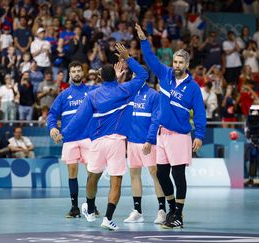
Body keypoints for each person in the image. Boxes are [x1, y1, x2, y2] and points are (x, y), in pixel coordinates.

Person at [61, 43, 148, 230]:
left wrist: (63, 133)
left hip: (97, 143)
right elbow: (143, 75)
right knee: (116, 181)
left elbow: (78, 120)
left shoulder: (92, 95)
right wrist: (128, 58)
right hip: (117, 142)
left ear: (100, 77)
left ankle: (90, 209)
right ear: (115, 76)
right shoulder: (126, 90)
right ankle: (107, 218)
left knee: (92, 177)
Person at [137, 23, 206, 229]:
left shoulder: (193, 87)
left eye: (180, 62)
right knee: (161, 174)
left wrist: (199, 135)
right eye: (175, 61)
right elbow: (150, 59)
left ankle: (179, 215)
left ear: (186, 63)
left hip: (179, 136)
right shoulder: (165, 74)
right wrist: (143, 41)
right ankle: (172, 210)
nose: (176, 65)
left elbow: (200, 113)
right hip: (162, 135)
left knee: (178, 175)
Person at [47, 60, 96, 218]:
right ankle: (74, 207)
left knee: (92, 172)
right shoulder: (63, 95)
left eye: (78, 71)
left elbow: (109, 93)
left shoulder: (92, 91)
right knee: (72, 172)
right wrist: (52, 127)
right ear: (70, 74)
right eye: (73, 71)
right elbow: (52, 114)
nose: (76, 74)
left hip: (88, 137)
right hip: (70, 139)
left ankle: (91, 205)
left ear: (83, 73)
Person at [123, 71, 166, 224]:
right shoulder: (129, 94)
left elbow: (156, 120)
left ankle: (162, 210)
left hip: (147, 142)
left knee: (155, 174)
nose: (134, 78)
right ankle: (137, 211)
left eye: (137, 75)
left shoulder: (154, 95)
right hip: (132, 142)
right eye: (133, 75)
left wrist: (149, 139)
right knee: (134, 175)